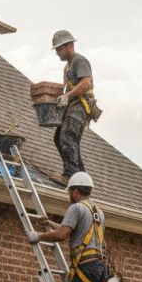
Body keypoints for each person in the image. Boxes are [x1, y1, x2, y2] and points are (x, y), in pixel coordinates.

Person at [50, 30, 100, 183]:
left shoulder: (79, 60)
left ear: (69, 46)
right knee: (59, 138)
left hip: (81, 106)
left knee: (67, 136)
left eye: (59, 49)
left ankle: (70, 174)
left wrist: (67, 96)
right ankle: (81, 177)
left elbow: (85, 83)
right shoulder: (67, 67)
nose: (57, 53)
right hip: (72, 106)